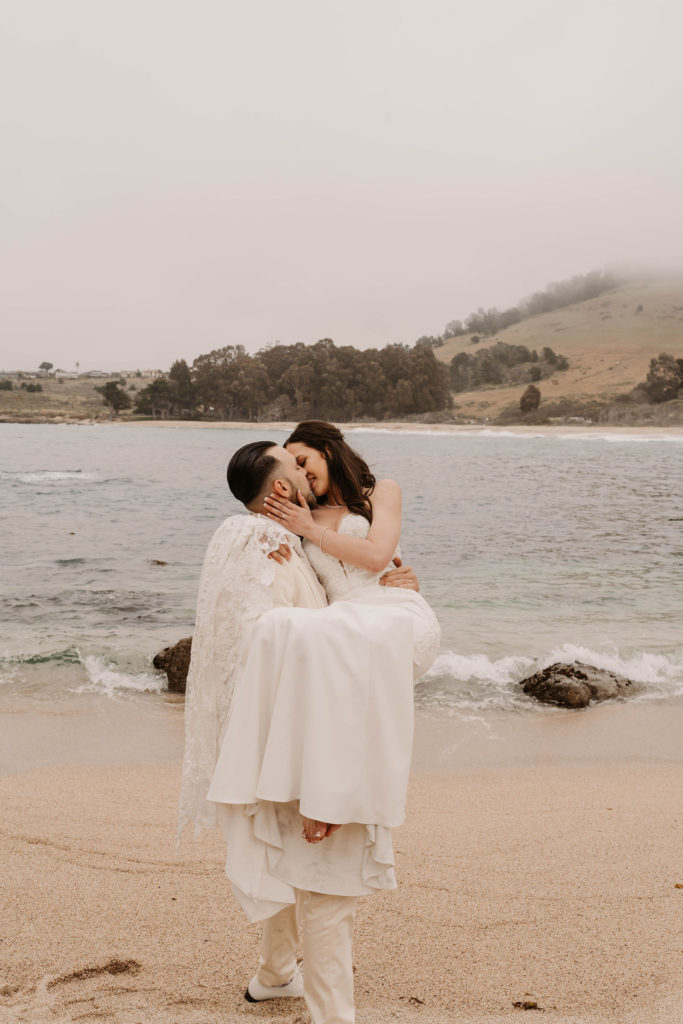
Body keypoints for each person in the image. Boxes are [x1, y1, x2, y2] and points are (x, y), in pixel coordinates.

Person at [179, 440, 438, 1024]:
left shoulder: (281, 541)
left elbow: (286, 632)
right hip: (309, 735)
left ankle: (274, 976)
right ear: (277, 491)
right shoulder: (265, 543)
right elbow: (268, 638)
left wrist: (382, 596)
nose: (305, 473)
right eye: (293, 466)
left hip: (282, 732)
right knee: (327, 890)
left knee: (281, 858)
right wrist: (326, 779)